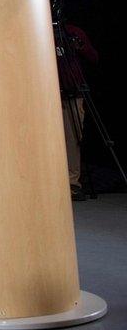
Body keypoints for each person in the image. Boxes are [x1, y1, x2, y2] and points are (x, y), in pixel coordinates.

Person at [55, 20, 99, 201]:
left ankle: (72, 184)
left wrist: (79, 47)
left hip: (72, 92)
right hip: (47, 93)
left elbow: (94, 58)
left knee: (72, 139)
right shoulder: (38, 31)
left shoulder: (72, 32)